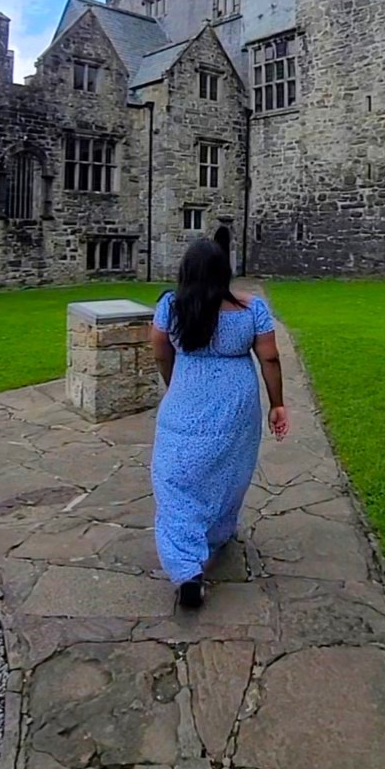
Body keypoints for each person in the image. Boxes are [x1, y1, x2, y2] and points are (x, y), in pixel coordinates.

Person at [150, 239, 289, 608]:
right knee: (229, 471)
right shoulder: (251, 308)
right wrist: (277, 403)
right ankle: (214, 535)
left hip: (185, 400)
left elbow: (161, 353)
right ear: (223, 271)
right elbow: (270, 358)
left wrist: (174, 385)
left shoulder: (170, 307)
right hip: (236, 405)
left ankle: (185, 567)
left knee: (175, 477)